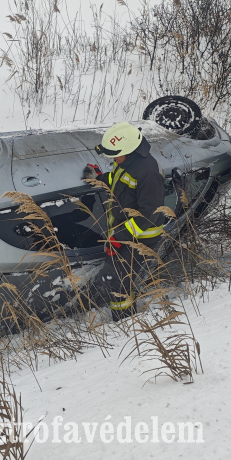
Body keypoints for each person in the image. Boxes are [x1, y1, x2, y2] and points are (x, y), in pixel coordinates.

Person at [83, 121, 165, 321]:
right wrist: (101, 179)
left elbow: (148, 214)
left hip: (140, 237)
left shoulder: (148, 172)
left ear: (129, 150)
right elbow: (120, 183)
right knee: (118, 279)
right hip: (126, 233)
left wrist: (119, 237)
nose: (112, 159)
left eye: (114, 155)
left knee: (117, 281)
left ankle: (126, 321)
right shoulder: (127, 162)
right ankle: (125, 317)